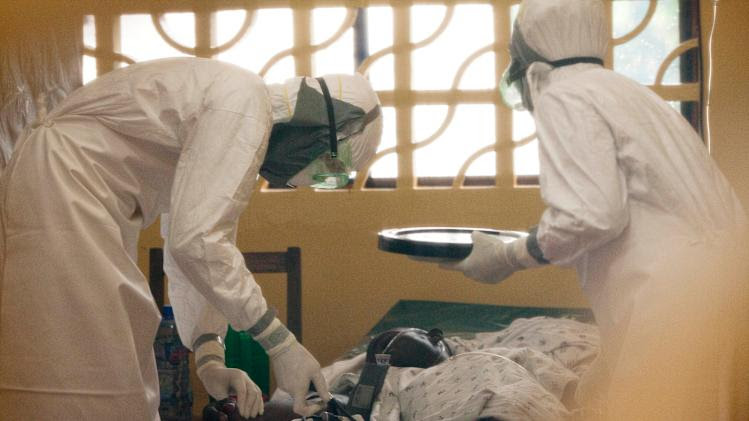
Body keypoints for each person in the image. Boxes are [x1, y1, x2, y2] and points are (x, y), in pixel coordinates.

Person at [0, 57, 383, 420]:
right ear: (322, 127)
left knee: (109, 368)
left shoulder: (239, 115)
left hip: (77, 192)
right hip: (66, 186)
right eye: (328, 168)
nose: (313, 181)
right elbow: (197, 241)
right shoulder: (244, 102)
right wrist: (280, 343)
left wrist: (209, 355)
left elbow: (194, 244)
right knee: (92, 376)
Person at [431, 0, 748, 419]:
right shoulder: (631, 93)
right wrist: (605, 373)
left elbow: (592, 215)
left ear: (531, 61)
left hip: (673, 300)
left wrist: (508, 256)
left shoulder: (563, 95)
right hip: (721, 288)